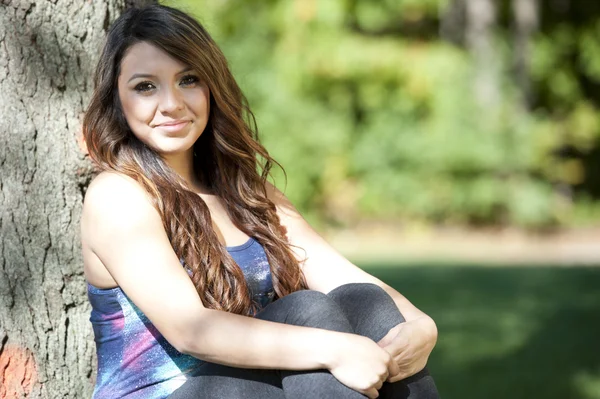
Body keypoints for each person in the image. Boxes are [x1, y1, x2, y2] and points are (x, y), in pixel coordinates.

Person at [80, 4, 440, 399]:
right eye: (145, 86)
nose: (171, 104)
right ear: (117, 99)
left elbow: (348, 278)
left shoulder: (247, 193)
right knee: (306, 313)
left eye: (188, 79)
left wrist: (421, 326)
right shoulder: (118, 195)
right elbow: (190, 330)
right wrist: (334, 348)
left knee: (364, 301)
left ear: (212, 87)